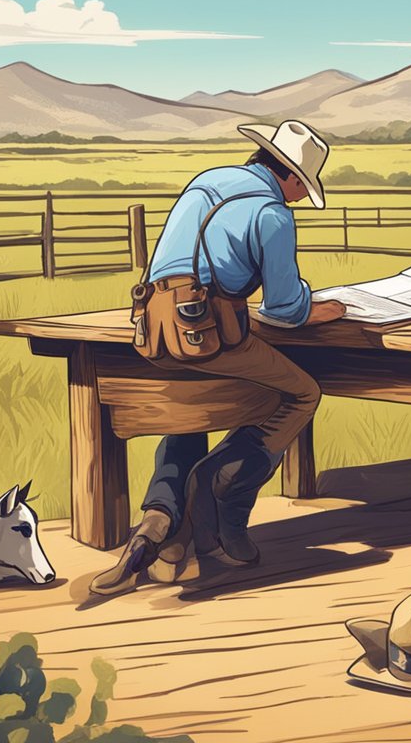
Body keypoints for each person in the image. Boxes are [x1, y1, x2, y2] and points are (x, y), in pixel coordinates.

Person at [90, 120, 346, 597]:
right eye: (300, 188)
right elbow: (285, 310)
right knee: (302, 393)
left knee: (189, 411)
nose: (296, 198)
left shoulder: (205, 182)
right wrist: (323, 308)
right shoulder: (272, 212)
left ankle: (159, 522)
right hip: (206, 332)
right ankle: (223, 485)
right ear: (289, 175)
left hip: (154, 329)